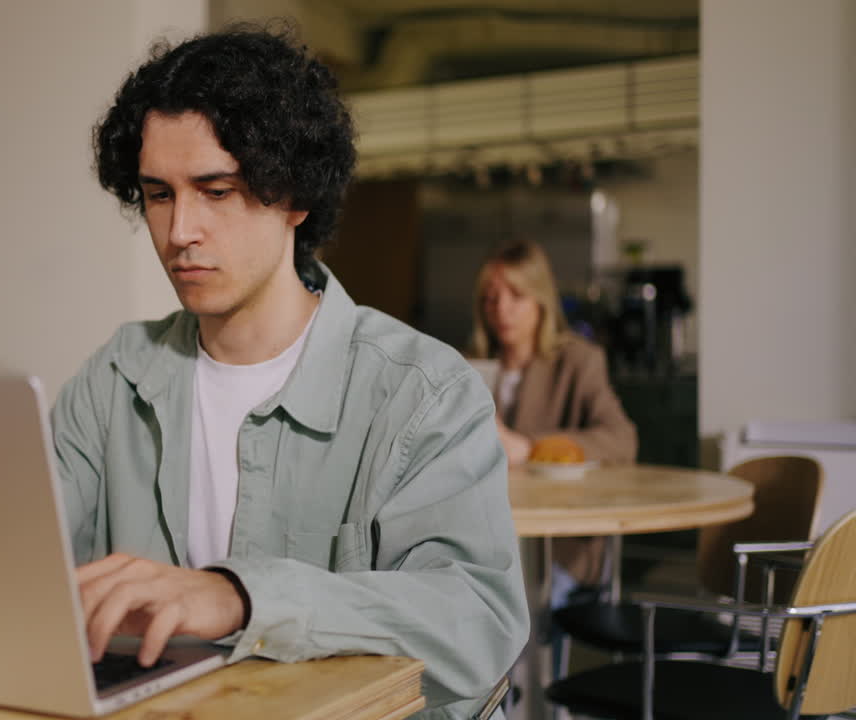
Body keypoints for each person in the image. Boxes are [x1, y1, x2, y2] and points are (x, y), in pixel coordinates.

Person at [51, 25, 529, 719]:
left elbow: (478, 620)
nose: (180, 230)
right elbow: (24, 566)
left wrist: (242, 599)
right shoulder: (114, 379)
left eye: (216, 190)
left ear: (296, 197)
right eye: (158, 194)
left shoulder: (422, 392)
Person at [467, 239, 638, 599]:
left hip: (558, 547)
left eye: (516, 296)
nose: (501, 310)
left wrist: (531, 448)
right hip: (483, 540)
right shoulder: (468, 364)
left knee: (520, 599)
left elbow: (622, 439)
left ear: (540, 300)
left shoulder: (578, 361)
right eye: (491, 298)